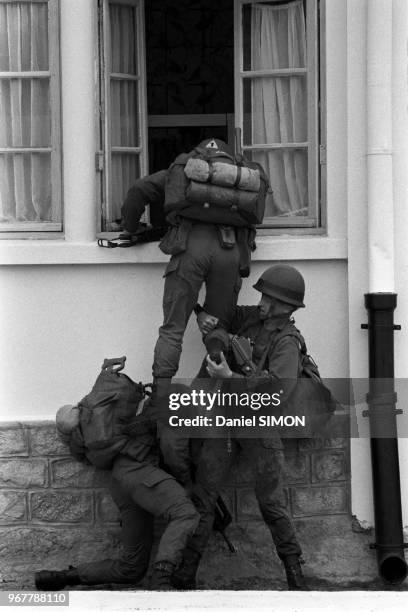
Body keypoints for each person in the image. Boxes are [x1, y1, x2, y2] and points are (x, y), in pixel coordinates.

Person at [171, 264, 309, 591]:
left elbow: (278, 390)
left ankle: (296, 577)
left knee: (271, 504)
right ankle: (185, 575)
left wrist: (229, 378)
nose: (261, 301)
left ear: (285, 306)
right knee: (204, 498)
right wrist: (201, 310)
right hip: (227, 419)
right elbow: (224, 317)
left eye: (269, 298)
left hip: (260, 426)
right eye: (262, 295)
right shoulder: (251, 317)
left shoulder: (288, 341)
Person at [121, 138, 268, 416]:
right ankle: (214, 401)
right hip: (230, 253)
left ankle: (161, 404)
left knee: (172, 329)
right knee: (216, 326)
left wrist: (130, 227)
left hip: (192, 248)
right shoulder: (239, 178)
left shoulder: (185, 170)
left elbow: (138, 191)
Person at [34, 403, 199, 591]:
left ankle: (62, 577)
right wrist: (184, 479)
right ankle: (161, 580)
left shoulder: (117, 422)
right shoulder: (171, 404)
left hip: (121, 481)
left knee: (131, 568)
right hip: (140, 475)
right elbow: (173, 449)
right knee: (185, 513)